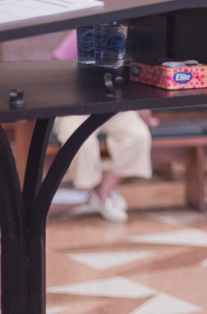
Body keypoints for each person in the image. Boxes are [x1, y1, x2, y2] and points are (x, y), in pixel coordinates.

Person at [50, 32, 156, 223]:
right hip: (76, 109)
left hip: (115, 109)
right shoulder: (80, 35)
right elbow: (55, 65)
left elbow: (138, 75)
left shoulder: (128, 36)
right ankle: (92, 191)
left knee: (139, 136)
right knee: (81, 143)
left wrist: (144, 111)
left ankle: (104, 191)